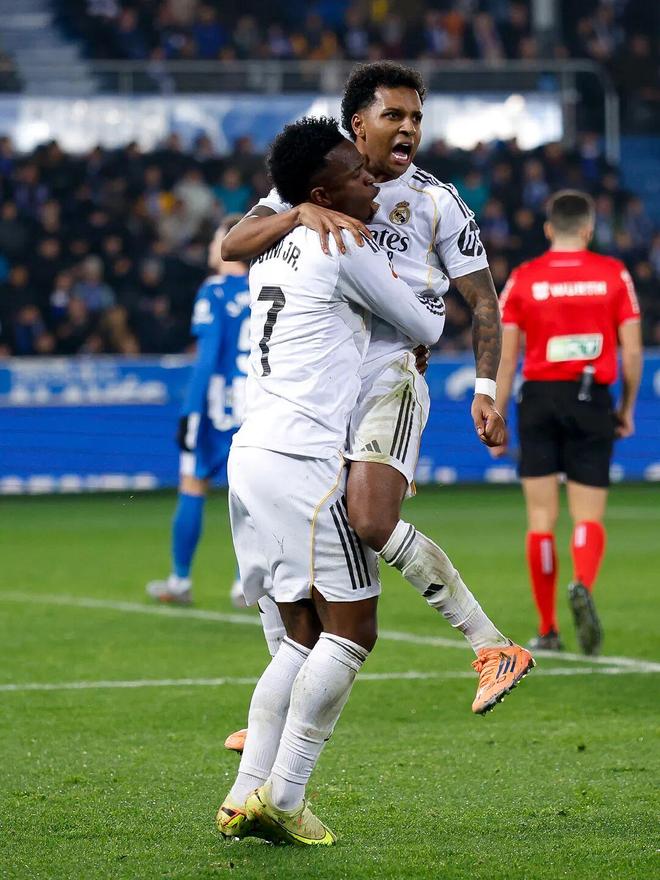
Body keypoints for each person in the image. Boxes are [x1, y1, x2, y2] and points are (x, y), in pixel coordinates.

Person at [221, 62, 534, 730]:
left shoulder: (437, 201)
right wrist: (297, 211)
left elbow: (484, 301)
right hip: (320, 384)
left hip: (390, 374)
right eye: (394, 115)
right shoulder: (317, 180)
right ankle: (281, 700)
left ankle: (491, 644)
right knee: (299, 547)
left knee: (368, 519)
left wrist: (485, 389)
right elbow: (233, 243)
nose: (409, 128)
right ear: (357, 125)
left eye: (416, 117)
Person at [217, 117, 447, 845]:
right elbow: (426, 326)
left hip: (252, 455)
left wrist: (293, 213)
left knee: (301, 634)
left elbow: (233, 241)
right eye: (356, 172)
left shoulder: (273, 240)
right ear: (322, 194)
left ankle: (245, 792)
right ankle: (285, 797)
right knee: (353, 630)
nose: (370, 179)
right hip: (303, 462)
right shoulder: (344, 243)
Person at [492, 190, 642, 654]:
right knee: (587, 515)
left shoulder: (524, 278)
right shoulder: (613, 274)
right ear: (589, 229)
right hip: (591, 397)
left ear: (548, 229)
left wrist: (497, 415)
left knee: (541, 519)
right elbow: (633, 351)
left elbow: (506, 356)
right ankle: (582, 583)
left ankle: (548, 628)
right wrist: (626, 408)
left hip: (538, 398)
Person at [145, 215, 250, 607]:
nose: (210, 247)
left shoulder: (214, 290)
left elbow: (206, 358)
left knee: (193, 484)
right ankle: (246, 582)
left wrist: (191, 410)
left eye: (215, 239)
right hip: (258, 404)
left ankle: (180, 580)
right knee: (250, 495)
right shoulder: (268, 287)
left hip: (218, 406)